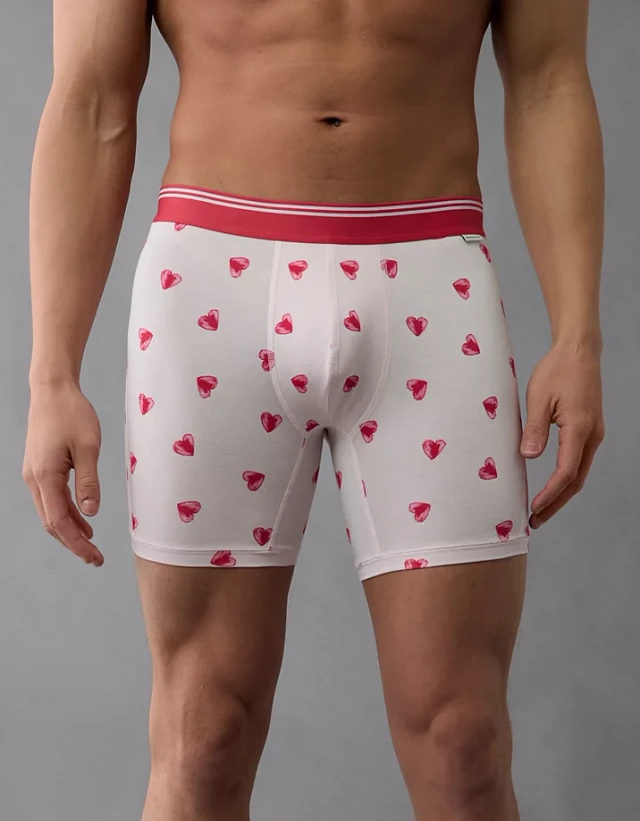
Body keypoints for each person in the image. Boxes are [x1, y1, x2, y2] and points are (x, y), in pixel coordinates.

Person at [22, 1, 605, 819]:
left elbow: (549, 83)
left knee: (463, 740)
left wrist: (579, 335)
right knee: (203, 733)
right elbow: (90, 100)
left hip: (431, 286)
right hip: (210, 290)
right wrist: (52, 372)